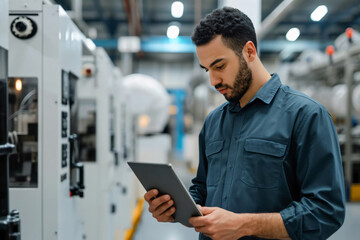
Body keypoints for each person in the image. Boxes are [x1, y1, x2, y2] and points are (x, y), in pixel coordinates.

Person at [144, 7, 345, 240]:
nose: (213, 80)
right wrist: (174, 207)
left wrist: (244, 225)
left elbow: (326, 211)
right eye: (207, 69)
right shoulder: (214, 122)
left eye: (219, 66)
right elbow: (201, 189)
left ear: (249, 51)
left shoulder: (306, 116)